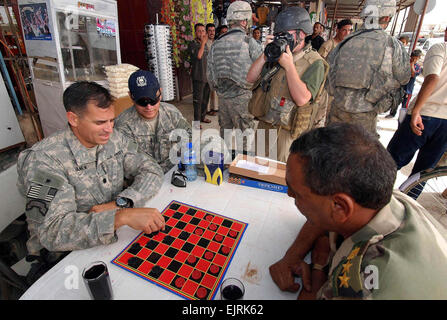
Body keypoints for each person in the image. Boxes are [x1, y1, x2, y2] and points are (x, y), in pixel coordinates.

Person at [270, 123, 447, 299]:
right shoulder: (383, 197)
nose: (289, 194)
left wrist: (318, 269)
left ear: (340, 207)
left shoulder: (366, 285)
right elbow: (321, 218)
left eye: (296, 192)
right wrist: (292, 256)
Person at [16, 82, 165, 277]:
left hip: (113, 241)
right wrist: (121, 217)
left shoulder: (114, 139)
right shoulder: (42, 161)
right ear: (73, 119)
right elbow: (52, 232)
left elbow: (151, 169)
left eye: (111, 120)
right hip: (62, 258)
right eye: (100, 122)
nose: (109, 129)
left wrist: (122, 203)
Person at [246, 6, 329, 162]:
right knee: (257, 171)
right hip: (265, 125)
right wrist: (266, 55)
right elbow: (250, 78)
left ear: (302, 34)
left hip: (287, 134)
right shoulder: (276, 55)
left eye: (287, 34)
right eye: (279, 35)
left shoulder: (314, 62)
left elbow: (302, 99)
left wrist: (289, 65)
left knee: (281, 179)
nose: (282, 38)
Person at [326, 0, 411, 136]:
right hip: (365, 114)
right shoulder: (392, 44)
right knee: (359, 154)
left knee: (331, 149)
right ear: (386, 18)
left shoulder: (346, 42)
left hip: (337, 109)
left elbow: (329, 79)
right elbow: (404, 77)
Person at [387, 28, 447, 193]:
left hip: (425, 115)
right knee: (422, 174)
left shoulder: (440, 48)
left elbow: (432, 77)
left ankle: (369, 202)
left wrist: (416, 111)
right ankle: (404, 212)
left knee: (390, 162)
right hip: (445, 125)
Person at [207, 1, 263, 154]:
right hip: (244, 100)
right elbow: (263, 72)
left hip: (223, 100)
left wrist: (222, 92)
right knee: (245, 143)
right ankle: (242, 172)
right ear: (245, 21)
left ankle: (221, 167)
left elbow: (210, 77)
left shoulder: (216, 44)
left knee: (224, 137)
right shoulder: (250, 42)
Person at [114, 70, 192, 174]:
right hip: (145, 177)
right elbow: (130, 161)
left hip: (174, 171)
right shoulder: (123, 125)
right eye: (142, 102)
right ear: (131, 97)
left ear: (160, 93)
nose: (149, 107)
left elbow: (189, 136)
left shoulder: (171, 113)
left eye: (153, 100)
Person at [385, 49, 422, 119]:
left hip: (408, 89)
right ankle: (392, 114)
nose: (414, 59)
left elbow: (413, 74)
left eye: (416, 58)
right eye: (413, 58)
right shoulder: (404, 64)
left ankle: (401, 118)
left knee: (404, 105)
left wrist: (412, 65)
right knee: (395, 102)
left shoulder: (418, 67)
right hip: (400, 87)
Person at [188, 23, 211, 127]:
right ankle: (196, 122)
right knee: (198, 100)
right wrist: (203, 43)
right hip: (198, 77)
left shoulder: (205, 44)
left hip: (207, 77)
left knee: (205, 99)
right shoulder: (193, 44)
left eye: (203, 31)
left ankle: (202, 117)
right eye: (199, 31)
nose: (201, 33)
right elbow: (199, 56)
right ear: (195, 32)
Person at [205, 23, 219, 117]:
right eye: (209, 31)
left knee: (215, 91)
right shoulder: (204, 43)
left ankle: (215, 108)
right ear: (206, 32)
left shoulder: (217, 42)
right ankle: (208, 109)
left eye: (213, 30)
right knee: (208, 91)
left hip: (216, 70)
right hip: (207, 70)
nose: (212, 32)